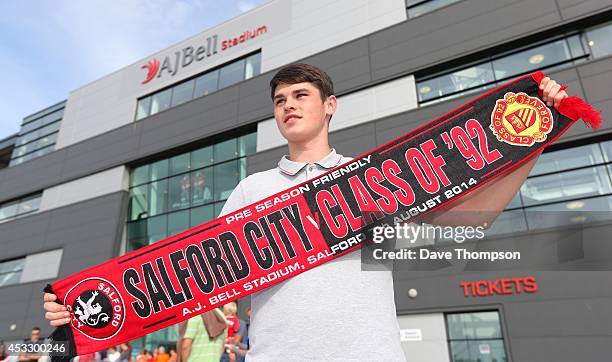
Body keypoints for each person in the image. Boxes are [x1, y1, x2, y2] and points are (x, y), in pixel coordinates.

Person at [42, 64, 568, 360]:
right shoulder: (253, 190)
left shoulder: (375, 183)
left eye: (301, 94)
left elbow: (463, 231)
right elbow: (194, 278)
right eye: (279, 101)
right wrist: (84, 310)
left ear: (330, 105)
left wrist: (534, 137)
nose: (288, 105)